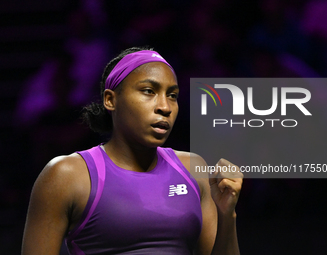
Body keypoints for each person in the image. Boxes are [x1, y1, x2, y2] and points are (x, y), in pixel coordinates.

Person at [22, 47, 243, 255]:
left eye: (172, 95)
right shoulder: (66, 175)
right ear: (110, 100)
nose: (164, 107)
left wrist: (227, 214)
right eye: (149, 91)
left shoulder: (193, 168)